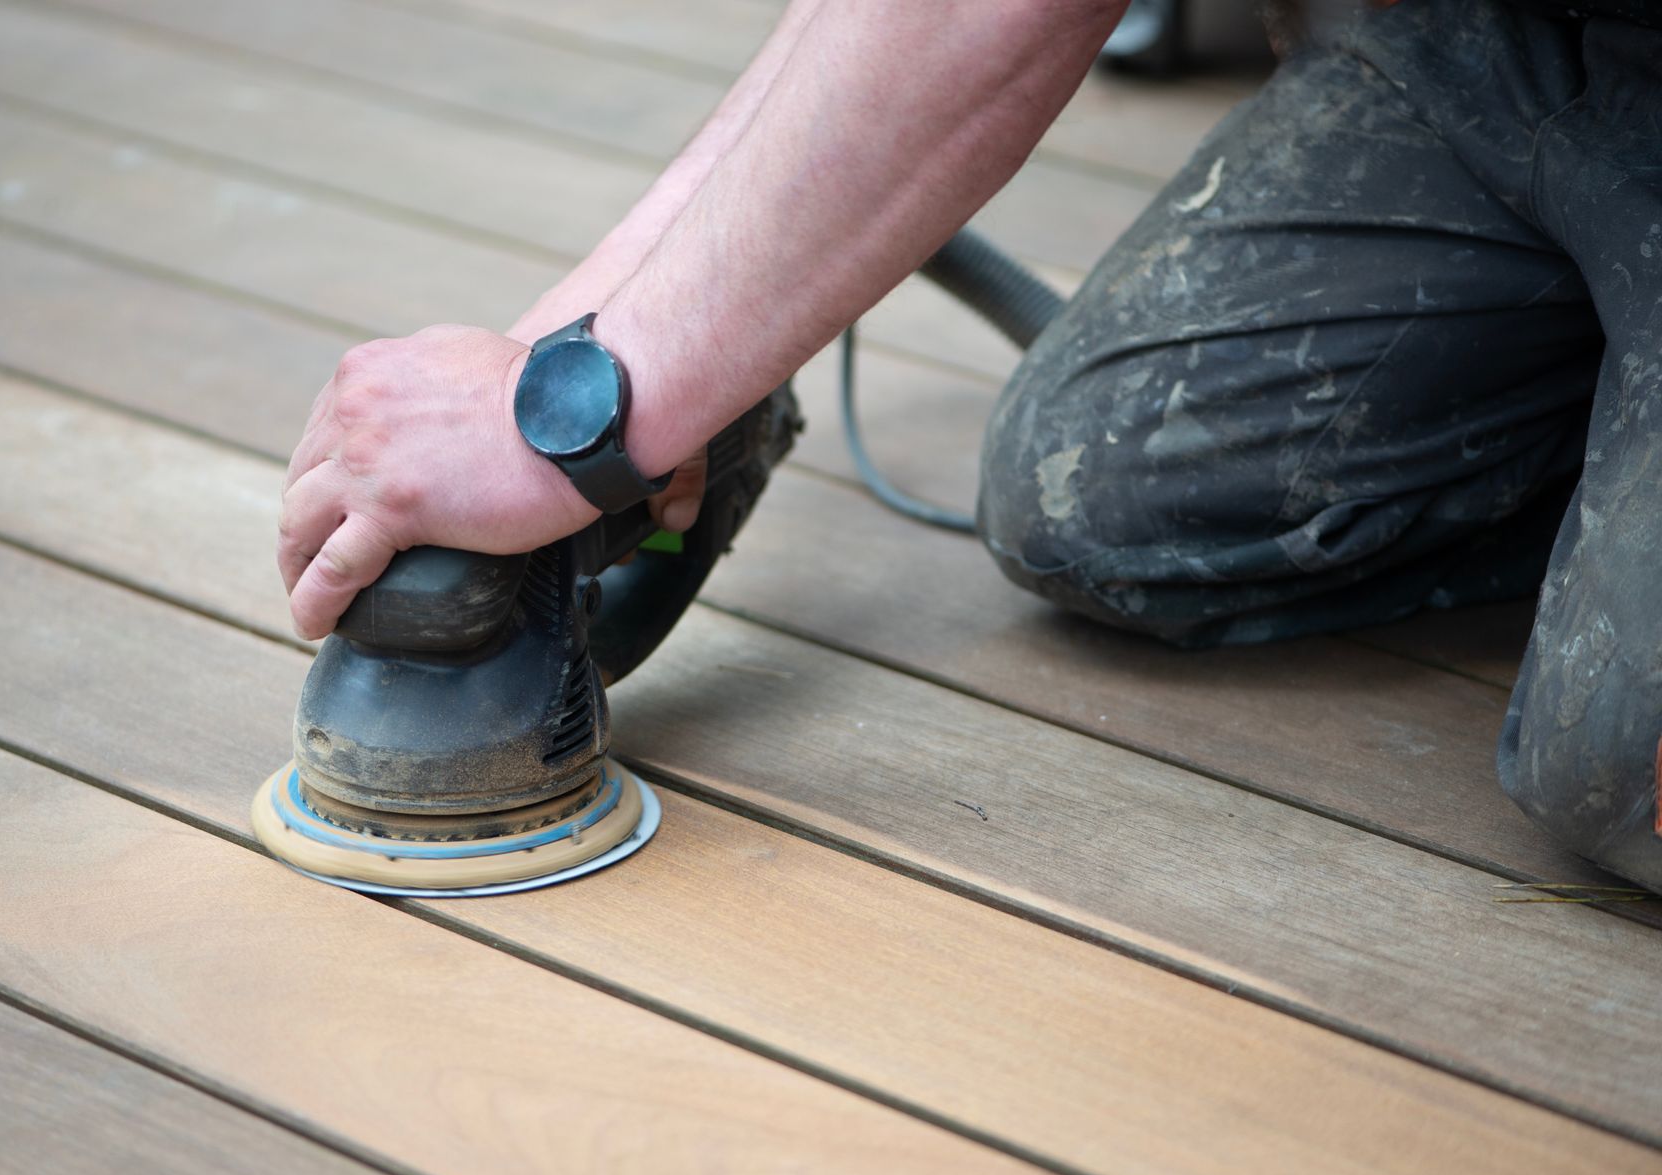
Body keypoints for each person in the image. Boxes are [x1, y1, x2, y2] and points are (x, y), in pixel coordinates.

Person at [276, 0, 1661, 893]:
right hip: (1487, 36)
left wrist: (595, 407)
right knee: (1097, 495)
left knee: (1614, 766)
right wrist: (588, 362)